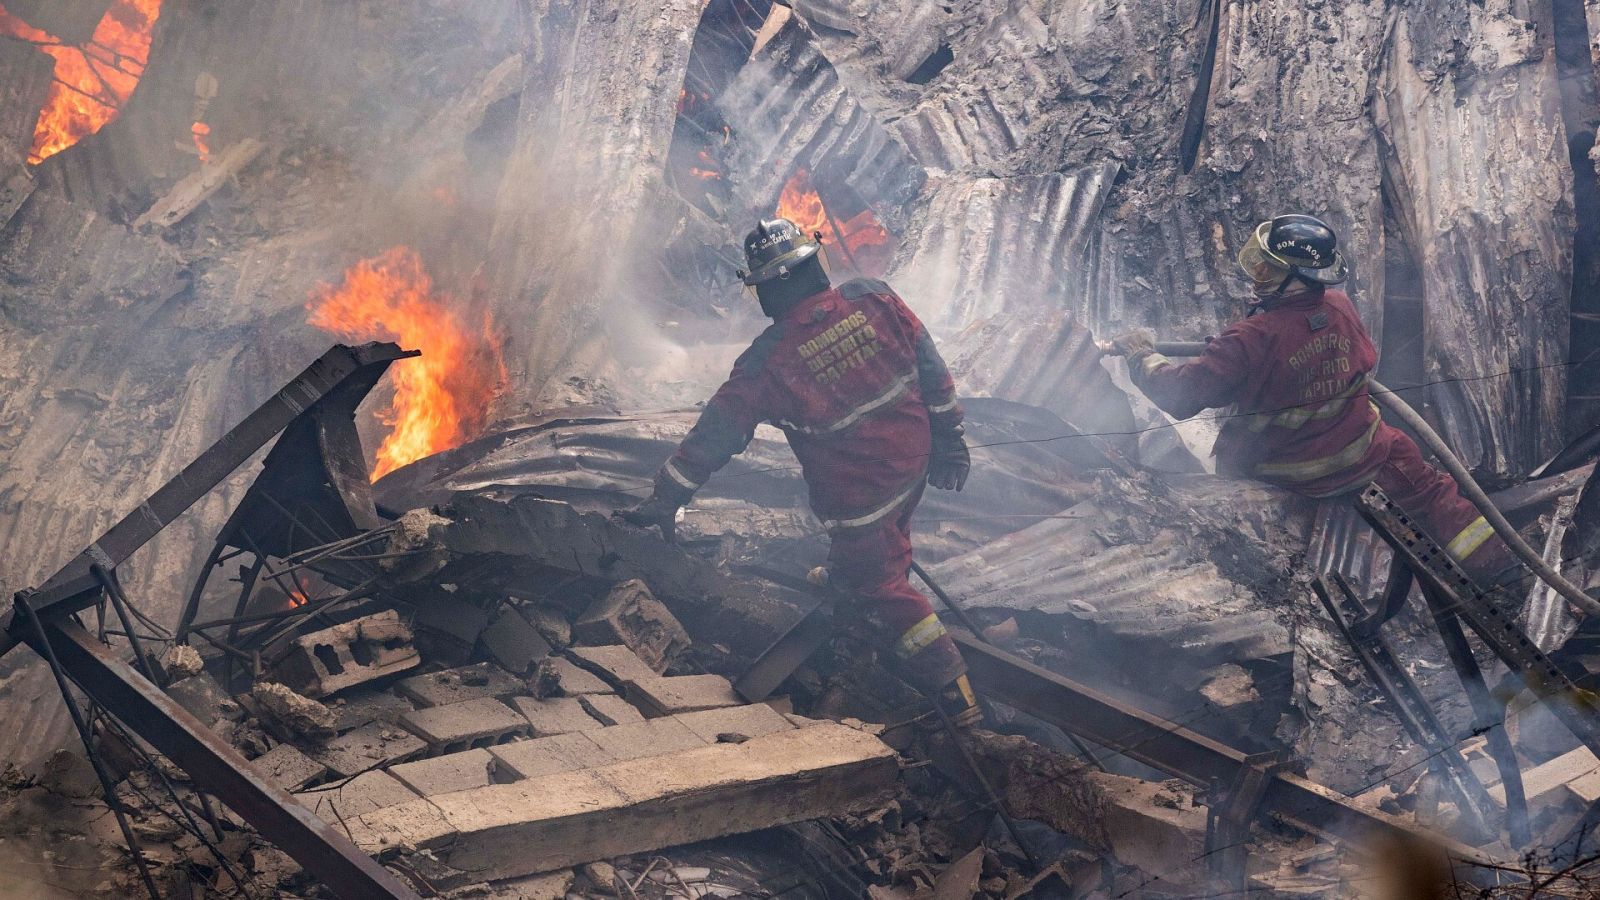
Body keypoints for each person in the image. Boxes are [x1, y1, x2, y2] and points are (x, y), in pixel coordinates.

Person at [621, 217, 980, 723]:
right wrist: (951, 442)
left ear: (770, 288)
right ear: (814, 265)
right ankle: (853, 582)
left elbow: (714, 437)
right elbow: (932, 370)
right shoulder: (874, 298)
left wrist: (664, 500)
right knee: (881, 546)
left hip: (860, 502)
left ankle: (956, 697)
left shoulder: (768, 361)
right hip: (913, 465)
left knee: (881, 585)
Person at [1108, 214, 1514, 586]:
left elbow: (1180, 395)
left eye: (1267, 268)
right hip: (1362, 455)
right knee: (1433, 493)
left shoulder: (1250, 338)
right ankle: (1501, 573)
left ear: (1294, 277)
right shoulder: (1337, 306)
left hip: (1280, 473)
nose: (1257, 277)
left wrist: (1143, 355)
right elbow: (1362, 357)